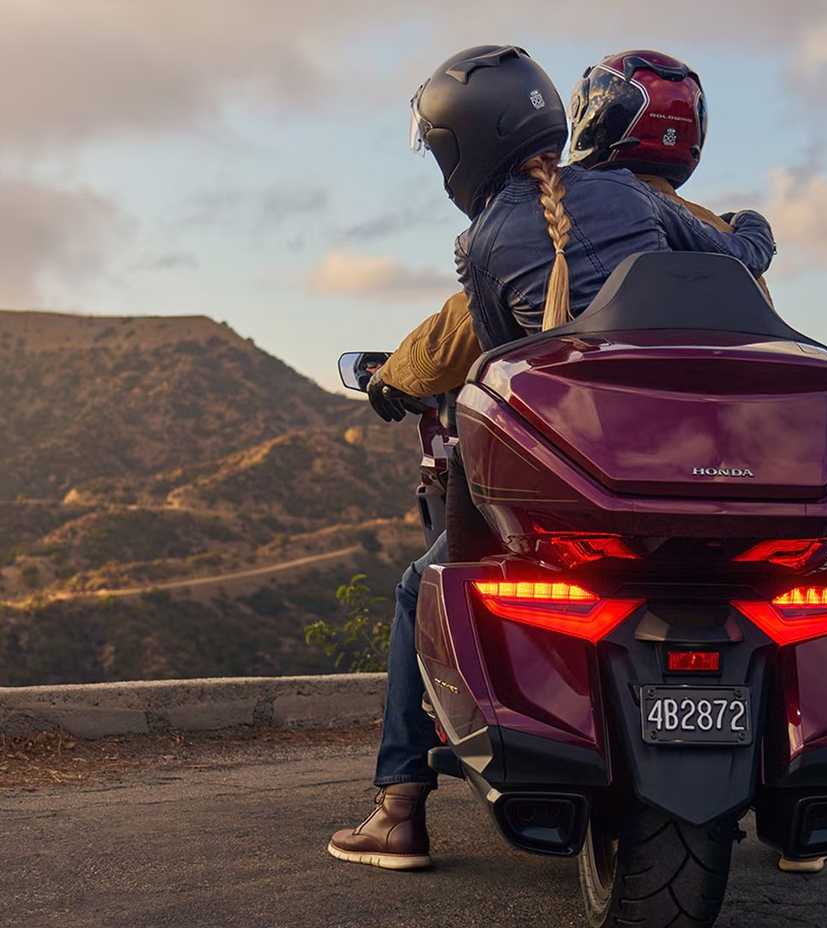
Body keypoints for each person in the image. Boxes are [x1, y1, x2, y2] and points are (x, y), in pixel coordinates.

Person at [329, 45, 776, 872]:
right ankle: (788, 820)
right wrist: (754, 228)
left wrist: (393, 382)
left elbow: (498, 370)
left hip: (577, 493)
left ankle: (399, 807)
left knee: (418, 588)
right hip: (721, 480)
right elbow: (740, 265)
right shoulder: (642, 203)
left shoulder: (484, 245)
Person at [368, 48, 769, 409]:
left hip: (590, 428)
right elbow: (748, 256)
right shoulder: (686, 220)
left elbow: (477, 346)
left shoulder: (508, 234)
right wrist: (748, 220)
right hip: (721, 429)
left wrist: (394, 376)